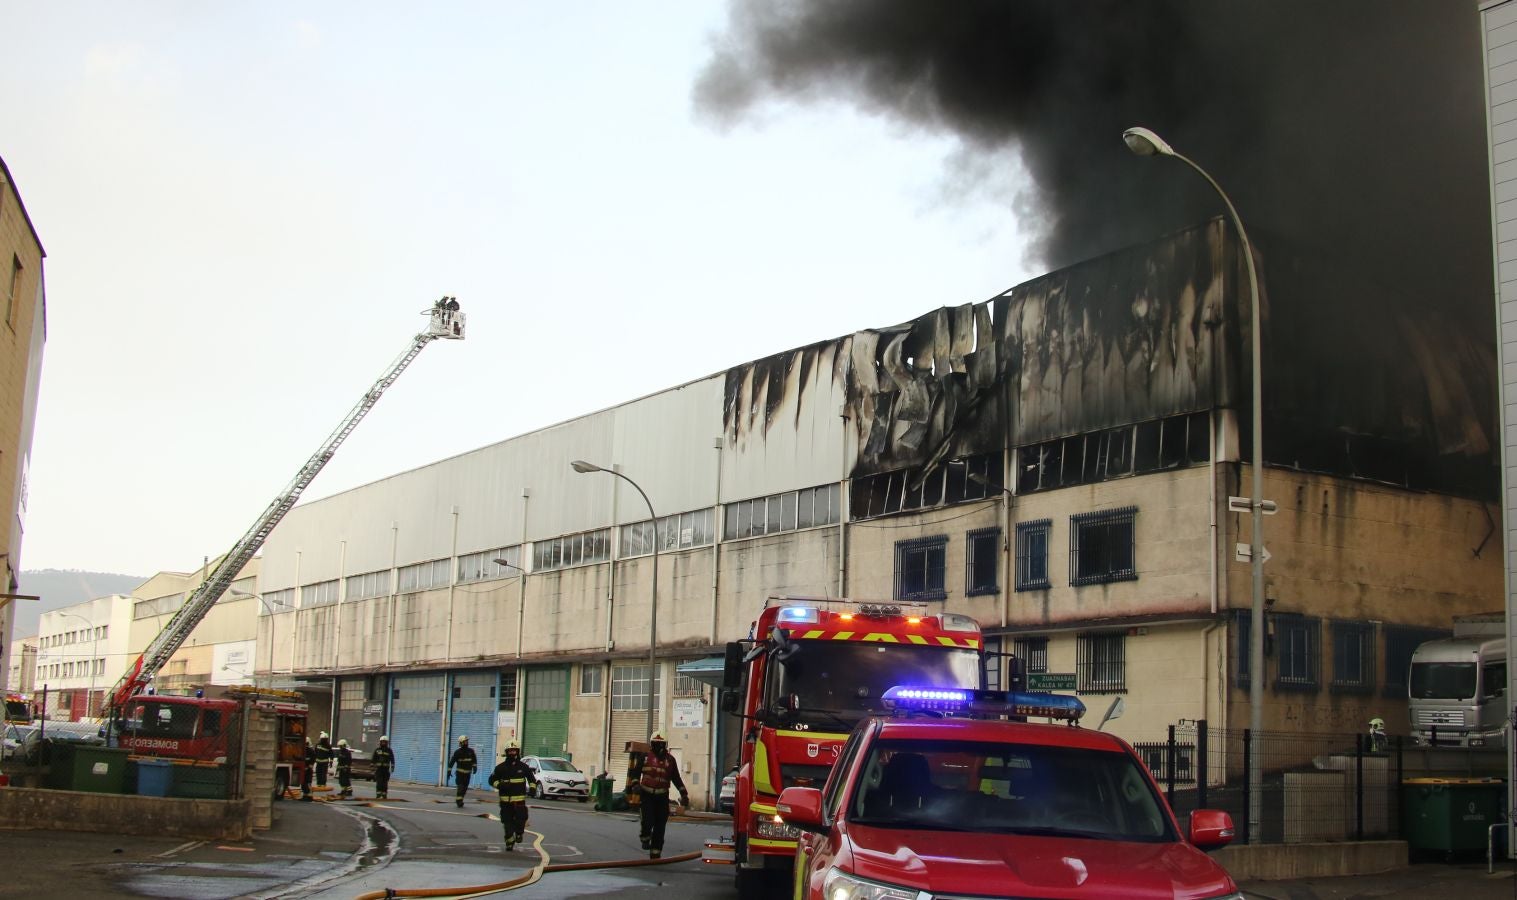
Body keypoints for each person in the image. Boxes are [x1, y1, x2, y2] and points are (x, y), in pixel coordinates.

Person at [634, 732, 689, 859]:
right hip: (647, 795)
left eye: (661, 744)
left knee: (660, 826)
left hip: (662, 797)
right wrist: (635, 784)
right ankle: (645, 837)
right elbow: (635, 773)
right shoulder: (645, 757)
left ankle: (656, 853)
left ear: (665, 745)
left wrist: (684, 794)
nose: (658, 746)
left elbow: (676, 779)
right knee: (647, 820)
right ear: (651, 744)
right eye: (656, 743)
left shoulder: (670, 760)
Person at [489, 740, 537, 850]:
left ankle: (519, 833)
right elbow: (491, 780)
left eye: (514, 750)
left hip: (519, 801)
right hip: (505, 802)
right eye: (510, 751)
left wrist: (533, 789)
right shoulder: (500, 768)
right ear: (506, 752)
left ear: (518, 751)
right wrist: (499, 785)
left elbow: (532, 780)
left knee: (521, 821)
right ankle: (509, 842)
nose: (512, 753)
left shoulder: (523, 767)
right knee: (507, 824)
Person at [448, 735, 478, 808]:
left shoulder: (471, 751)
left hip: (467, 774)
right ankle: (459, 801)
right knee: (461, 788)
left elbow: (474, 760)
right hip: (460, 774)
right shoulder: (457, 752)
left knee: (465, 788)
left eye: (467, 741)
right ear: (461, 743)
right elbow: (452, 762)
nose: (466, 742)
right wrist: (449, 771)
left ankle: (460, 799)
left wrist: (475, 767)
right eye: (465, 741)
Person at [372, 735, 396, 800]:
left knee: (384, 783)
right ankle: (378, 794)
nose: (383, 743)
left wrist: (392, 767)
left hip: (386, 769)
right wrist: (372, 764)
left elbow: (392, 759)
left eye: (385, 742)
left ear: (387, 743)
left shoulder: (389, 750)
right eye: (382, 742)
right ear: (380, 742)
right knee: (379, 782)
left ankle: (384, 794)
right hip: (379, 769)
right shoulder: (377, 750)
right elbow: (374, 758)